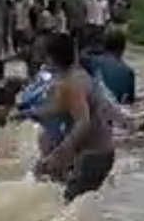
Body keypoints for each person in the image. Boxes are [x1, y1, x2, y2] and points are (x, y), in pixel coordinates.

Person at [32, 32, 115, 202]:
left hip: (91, 156)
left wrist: (61, 152)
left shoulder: (72, 83)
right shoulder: (73, 77)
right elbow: (61, 107)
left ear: (49, 58)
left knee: (68, 206)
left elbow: (82, 122)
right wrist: (30, 113)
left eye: (39, 53)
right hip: (91, 154)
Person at [81, 25, 136, 108]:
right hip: (117, 113)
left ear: (104, 45)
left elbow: (82, 54)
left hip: (97, 111)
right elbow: (129, 103)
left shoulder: (93, 62)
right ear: (123, 48)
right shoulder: (129, 72)